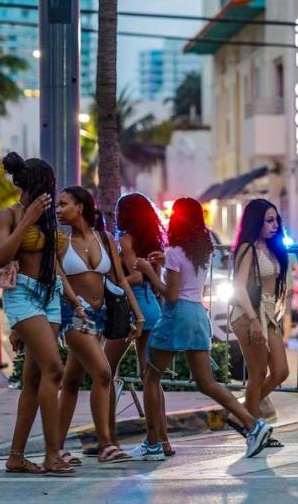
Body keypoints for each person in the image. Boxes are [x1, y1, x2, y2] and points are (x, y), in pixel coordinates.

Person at [138, 197, 274, 458]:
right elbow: (185, 273)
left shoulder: (175, 252)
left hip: (177, 316)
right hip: (199, 316)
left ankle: (153, 443)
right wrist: (163, 260)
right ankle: (253, 424)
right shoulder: (204, 250)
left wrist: (150, 270)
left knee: (151, 378)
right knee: (207, 382)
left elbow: (171, 293)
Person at [0, 152, 77, 475]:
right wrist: (26, 220)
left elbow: (53, 261)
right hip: (23, 296)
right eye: (47, 190)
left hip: (50, 295)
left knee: (35, 378)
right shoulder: (10, 215)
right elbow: (1, 257)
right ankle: (53, 454)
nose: (50, 197)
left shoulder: (49, 220)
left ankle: (17, 455)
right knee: (55, 368)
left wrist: (72, 297)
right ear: (34, 186)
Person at [54, 186, 143, 465]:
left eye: (63, 204)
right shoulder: (60, 242)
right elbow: (60, 281)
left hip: (102, 315)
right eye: (57, 205)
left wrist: (137, 315)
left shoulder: (104, 238)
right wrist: (76, 307)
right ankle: (106, 445)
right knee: (103, 373)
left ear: (80, 207)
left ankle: (55, 448)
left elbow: (120, 279)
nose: (58, 210)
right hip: (75, 316)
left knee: (71, 381)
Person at [104, 192, 173, 460]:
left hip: (134, 312)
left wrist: (111, 281)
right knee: (151, 379)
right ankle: (162, 440)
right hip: (152, 308)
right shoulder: (150, 240)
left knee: (104, 370)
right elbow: (148, 276)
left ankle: (107, 438)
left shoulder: (126, 239)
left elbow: (134, 275)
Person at [229, 199, 290, 445]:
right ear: (256, 221)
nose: (275, 225)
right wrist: (254, 320)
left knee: (281, 371)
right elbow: (238, 287)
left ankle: (242, 416)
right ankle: (255, 430)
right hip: (248, 315)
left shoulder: (269, 246)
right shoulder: (248, 248)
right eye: (269, 220)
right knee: (257, 373)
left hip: (268, 315)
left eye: (276, 219)